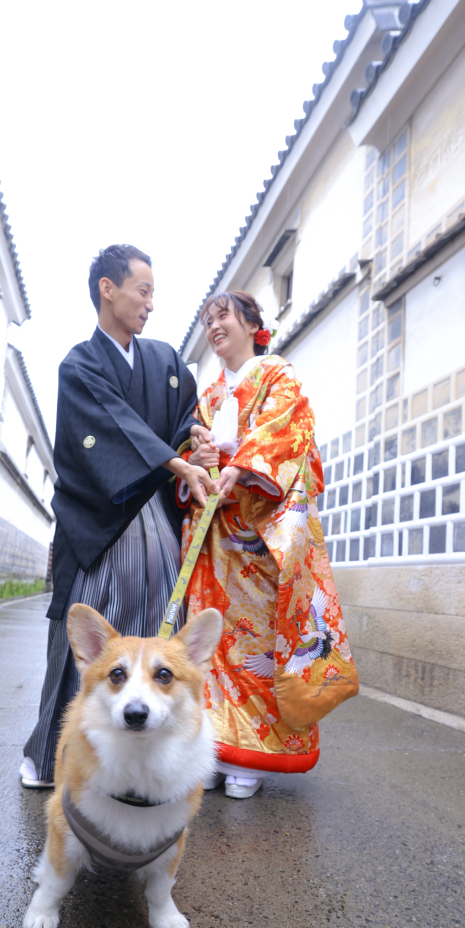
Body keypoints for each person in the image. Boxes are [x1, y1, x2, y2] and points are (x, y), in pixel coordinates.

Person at [20, 245, 212, 788]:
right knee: (86, 643)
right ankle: (53, 757)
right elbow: (111, 426)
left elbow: (184, 419)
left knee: (157, 640)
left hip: (158, 527)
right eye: (143, 290)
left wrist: (192, 441)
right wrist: (172, 460)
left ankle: (146, 766)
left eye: (153, 293)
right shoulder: (80, 365)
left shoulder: (167, 363)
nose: (151, 303)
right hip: (100, 526)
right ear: (109, 289)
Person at [179, 290, 359, 798]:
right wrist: (200, 453)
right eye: (208, 320)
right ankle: (215, 746)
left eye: (223, 317)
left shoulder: (279, 374)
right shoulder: (209, 394)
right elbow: (189, 452)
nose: (214, 327)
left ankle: (254, 759)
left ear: (253, 324)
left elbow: (289, 434)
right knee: (210, 644)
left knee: (254, 641)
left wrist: (240, 465)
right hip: (214, 538)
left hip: (257, 536)